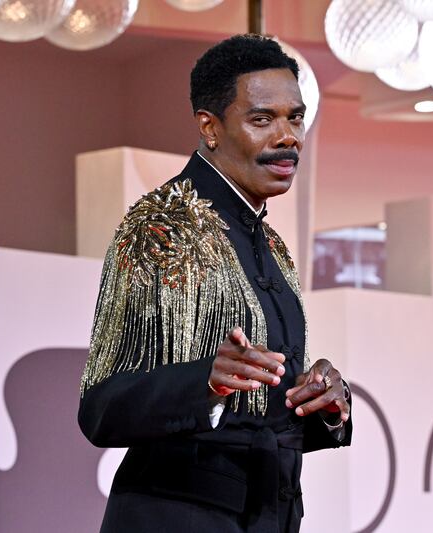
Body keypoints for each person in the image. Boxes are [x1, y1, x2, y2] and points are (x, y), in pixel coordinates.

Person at [77, 34, 353, 533]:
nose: (288, 136)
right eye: (262, 119)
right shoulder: (157, 228)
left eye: (296, 117)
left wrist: (326, 405)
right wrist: (206, 380)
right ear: (210, 127)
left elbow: (261, 421)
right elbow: (100, 410)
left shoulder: (270, 243)